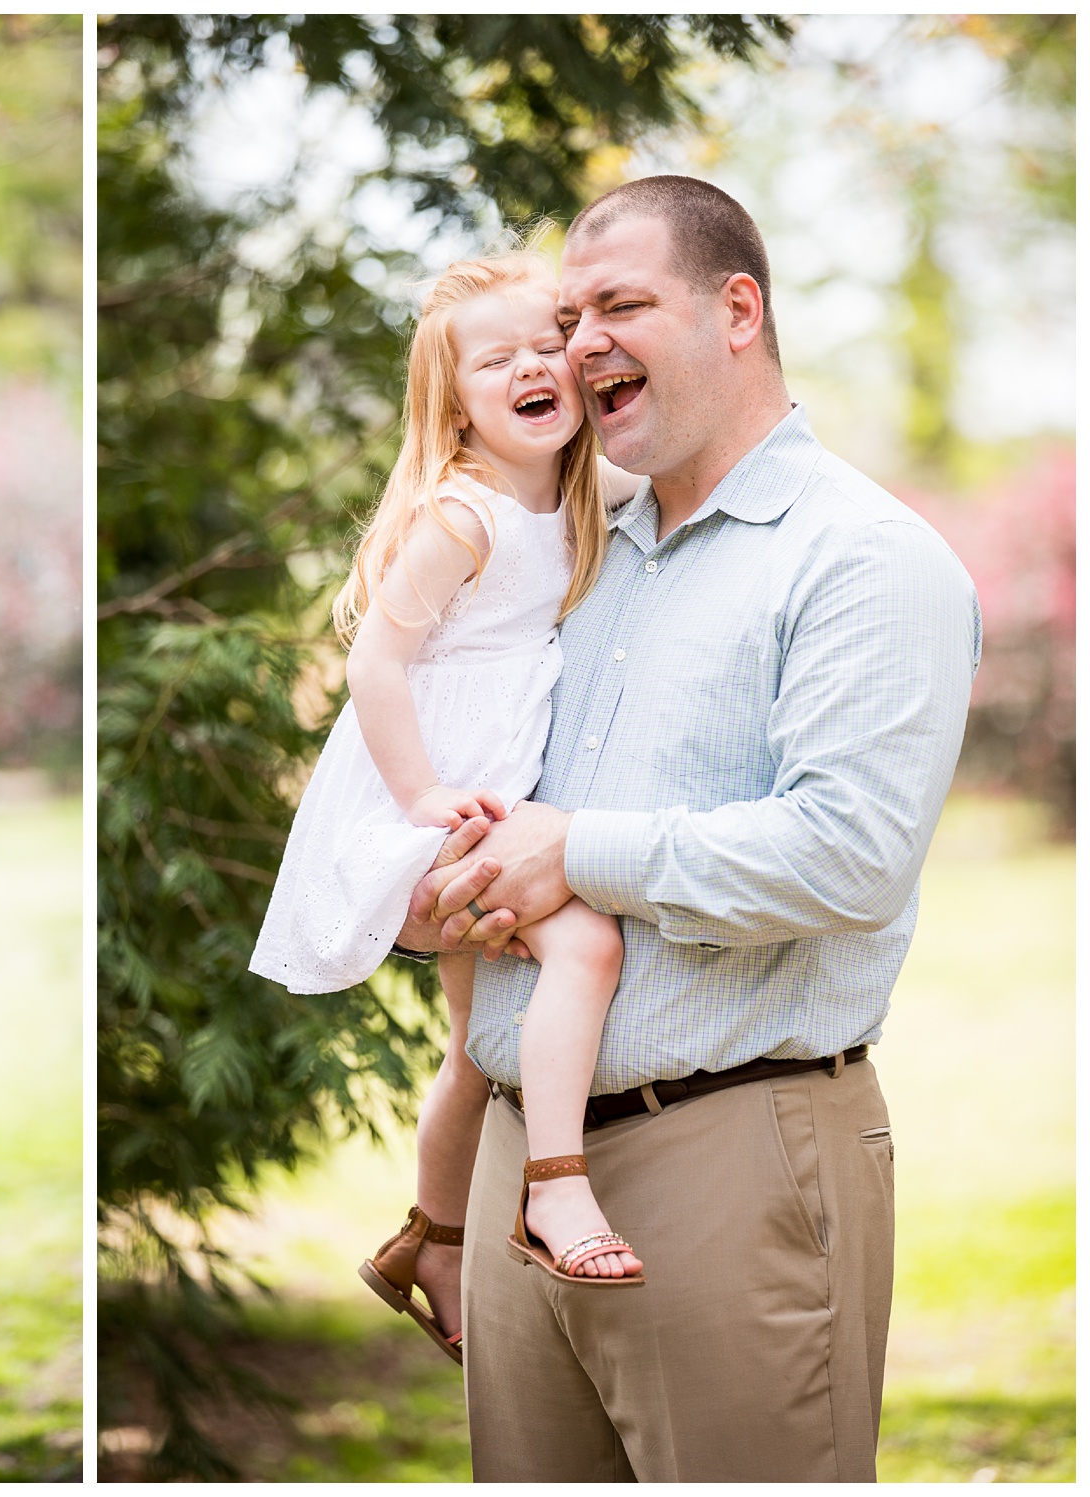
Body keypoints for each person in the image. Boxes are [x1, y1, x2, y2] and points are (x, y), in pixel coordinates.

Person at [398, 177, 981, 1481]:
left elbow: (850, 853)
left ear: (736, 310)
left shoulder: (861, 560)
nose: (578, 342)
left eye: (619, 306)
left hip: (733, 1152)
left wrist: (573, 847)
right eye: (566, 315)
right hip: (517, 1167)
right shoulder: (571, 556)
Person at [250, 253, 649, 1363]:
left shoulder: (574, 496)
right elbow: (374, 666)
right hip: (425, 808)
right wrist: (421, 795)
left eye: (544, 346)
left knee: (475, 1050)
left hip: (486, 798)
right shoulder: (462, 517)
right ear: (455, 399)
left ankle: (428, 1236)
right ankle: (555, 1187)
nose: (528, 367)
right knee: (585, 948)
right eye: (494, 358)